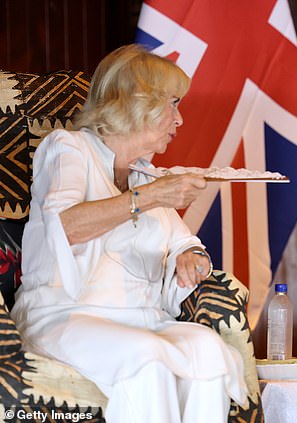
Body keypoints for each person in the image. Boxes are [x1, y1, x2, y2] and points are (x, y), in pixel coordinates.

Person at [10, 44, 247, 422]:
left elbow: (186, 243)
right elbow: (67, 225)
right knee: (148, 359)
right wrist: (150, 197)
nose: (179, 119)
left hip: (143, 319)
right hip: (65, 316)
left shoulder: (145, 174)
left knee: (207, 349)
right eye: (172, 103)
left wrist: (192, 258)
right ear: (137, 104)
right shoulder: (67, 149)